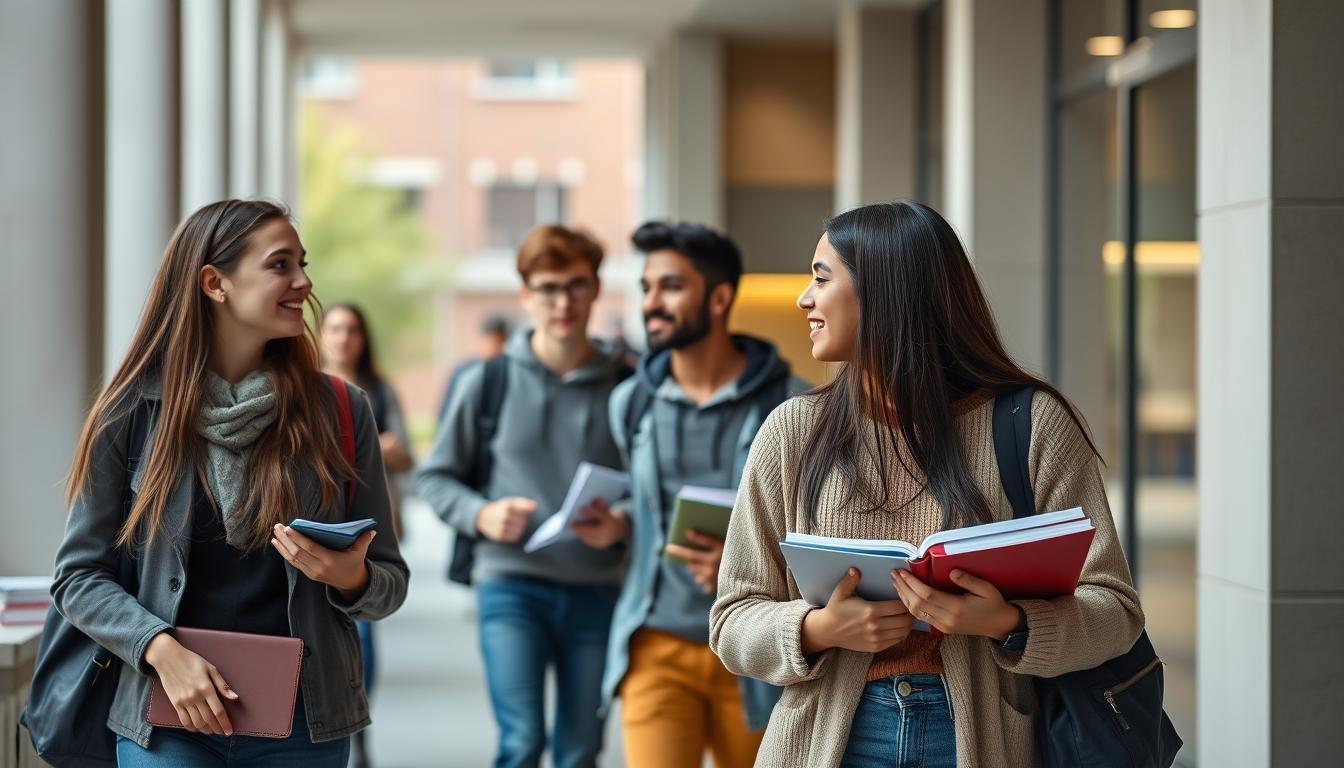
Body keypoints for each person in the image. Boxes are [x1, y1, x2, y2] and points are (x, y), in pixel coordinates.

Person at [708, 201, 1145, 767]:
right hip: (828, 743)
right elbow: (731, 619)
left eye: (821, 278)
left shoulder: (1031, 424)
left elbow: (1116, 612)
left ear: (886, 294)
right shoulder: (792, 433)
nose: (804, 299)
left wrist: (1008, 623)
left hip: (982, 741)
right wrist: (818, 628)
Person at [50, 199, 409, 766]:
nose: (303, 281)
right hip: (166, 718)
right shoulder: (130, 413)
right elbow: (78, 578)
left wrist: (352, 578)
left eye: (302, 263)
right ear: (215, 283)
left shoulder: (341, 409)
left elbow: (390, 581)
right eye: (280, 265)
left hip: (304, 727)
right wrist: (159, 650)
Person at [572, 221, 809, 768]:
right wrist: (624, 521)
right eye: (647, 288)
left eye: (671, 286)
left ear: (719, 297)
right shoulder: (631, 403)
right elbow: (648, 498)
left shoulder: (791, 406)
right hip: (655, 643)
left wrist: (748, 563)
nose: (651, 303)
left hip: (755, 651)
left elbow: (815, 526)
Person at [416, 225, 631, 768]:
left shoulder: (629, 387)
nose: (563, 302)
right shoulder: (487, 382)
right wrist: (481, 514)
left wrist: (623, 522)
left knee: (581, 749)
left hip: (598, 591)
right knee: (521, 742)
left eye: (577, 286)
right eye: (548, 287)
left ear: (596, 289)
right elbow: (435, 478)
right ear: (525, 295)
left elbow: (653, 486)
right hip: (510, 585)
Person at [318, 302, 414, 768]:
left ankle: (356, 724)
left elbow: (407, 455)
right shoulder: (303, 391)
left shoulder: (375, 391)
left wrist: (378, 447)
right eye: (334, 328)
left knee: (363, 633)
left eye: (352, 329)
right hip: (317, 528)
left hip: (368, 528)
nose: (343, 338)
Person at [436, 314, 510, 424]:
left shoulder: (509, 372)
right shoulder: (464, 372)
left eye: (499, 341)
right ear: (481, 339)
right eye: (491, 340)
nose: (494, 346)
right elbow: (446, 412)